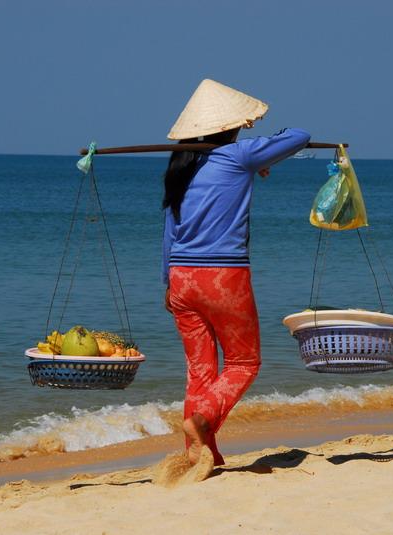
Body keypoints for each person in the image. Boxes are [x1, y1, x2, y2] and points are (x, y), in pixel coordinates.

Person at [162, 79, 310, 465]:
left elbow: (170, 230)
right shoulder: (237, 156)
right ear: (231, 126)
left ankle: (201, 456)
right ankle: (204, 420)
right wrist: (253, 149)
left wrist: (167, 282)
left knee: (201, 369)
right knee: (244, 363)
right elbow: (299, 135)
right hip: (222, 276)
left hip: (181, 278)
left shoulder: (181, 168)